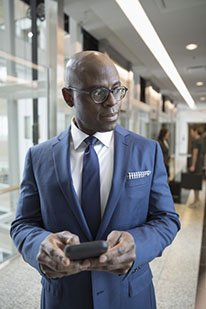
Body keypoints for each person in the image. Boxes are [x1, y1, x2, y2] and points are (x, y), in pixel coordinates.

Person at [10, 50, 180, 309]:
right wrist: (38, 246)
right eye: (98, 93)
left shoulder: (147, 151)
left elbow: (167, 219)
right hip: (64, 299)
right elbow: (23, 224)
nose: (112, 102)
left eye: (117, 90)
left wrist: (138, 245)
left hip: (130, 297)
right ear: (69, 97)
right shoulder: (38, 157)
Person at [188, 126, 203, 208]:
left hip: (196, 165)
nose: (191, 133)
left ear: (195, 131)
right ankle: (196, 199)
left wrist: (193, 165)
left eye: (191, 131)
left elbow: (195, 154)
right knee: (196, 182)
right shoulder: (200, 140)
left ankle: (196, 200)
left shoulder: (196, 141)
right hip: (199, 164)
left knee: (195, 183)